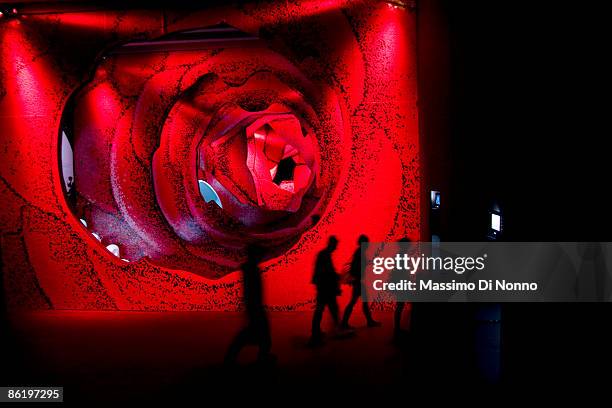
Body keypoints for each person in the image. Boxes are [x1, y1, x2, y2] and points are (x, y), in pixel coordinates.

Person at [224, 244, 274, 365]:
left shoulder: (250, 268)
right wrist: (254, 306)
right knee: (255, 334)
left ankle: (233, 356)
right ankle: (260, 357)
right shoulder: (251, 269)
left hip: (254, 306)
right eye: (259, 254)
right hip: (255, 306)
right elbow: (251, 290)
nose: (261, 257)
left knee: (254, 333)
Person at [341, 235, 381, 329]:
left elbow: (358, 266)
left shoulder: (359, 252)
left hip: (358, 281)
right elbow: (359, 267)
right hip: (359, 282)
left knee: (358, 302)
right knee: (356, 302)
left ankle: (346, 322)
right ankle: (345, 322)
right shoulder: (360, 252)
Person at [309, 236, 341, 346]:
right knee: (329, 309)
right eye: (336, 245)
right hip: (325, 288)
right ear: (332, 244)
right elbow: (327, 272)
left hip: (323, 287)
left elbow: (322, 272)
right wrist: (335, 280)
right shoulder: (325, 255)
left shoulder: (324, 254)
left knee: (322, 310)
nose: (336, 248)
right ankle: (319, 333)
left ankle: (316, 333)